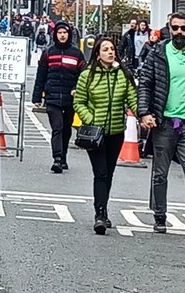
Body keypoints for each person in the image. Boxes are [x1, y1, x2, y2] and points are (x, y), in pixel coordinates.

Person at [137, 11, 185, 240]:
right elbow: (145, 84)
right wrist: (145, 112)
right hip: (164, 123)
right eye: (175, 28)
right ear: (169, 29)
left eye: (184, 28)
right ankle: (159, 215)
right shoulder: (158, 52)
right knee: (160, 173)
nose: (179, 32)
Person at [74, 37, 138, 234]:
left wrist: (143, 115)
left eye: (112, 49)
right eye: (105, 49)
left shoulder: (123, 74)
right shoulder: (88, 75)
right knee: (100, 173)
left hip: (116, 131)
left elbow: (132, 99)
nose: (110, 52)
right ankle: (100, 214)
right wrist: (90, 118)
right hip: (95, 133)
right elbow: (79, 102)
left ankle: (103, 208)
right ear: (98, 54)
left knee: (108, 174)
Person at [32, 21, 86, 172]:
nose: (62, 35)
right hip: (52, 97)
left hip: (71, 98)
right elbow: (41, 76)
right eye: (59, 33)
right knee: (57, 127)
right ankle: (57, 158)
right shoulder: (48, 53)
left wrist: (77, 89)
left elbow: (83, 75)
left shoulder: (76, 54)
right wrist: (37, 97)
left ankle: (63, 157)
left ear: (69, 34)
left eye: (65, 33)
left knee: (67, 129)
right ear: (55, 34)